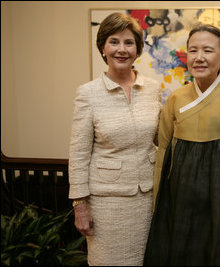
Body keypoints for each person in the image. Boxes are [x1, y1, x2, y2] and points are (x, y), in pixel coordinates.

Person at [144, 24, 220, 266]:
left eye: (207, 51)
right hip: (181, 198)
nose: (199, 57)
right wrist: (159, 203)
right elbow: (163, 152)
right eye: (192, 50)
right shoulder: (176, 99)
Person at [68, 12, 162, 266]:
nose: (122, 49)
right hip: (106, 203)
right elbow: (78, 153)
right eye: (114, 41)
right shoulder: (87, 94)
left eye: (129, 43)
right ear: (103, 47)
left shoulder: (153, 89)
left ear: (138, 49)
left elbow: (161, 139)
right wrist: (80, 205)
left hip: (147, 200)